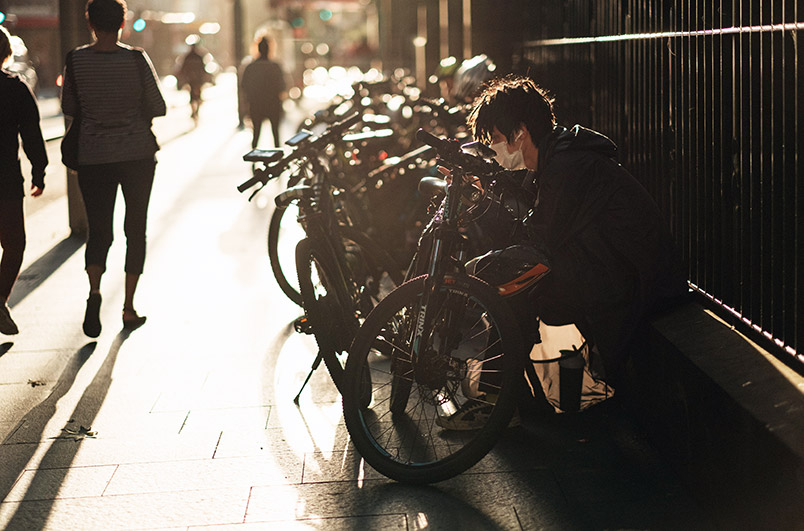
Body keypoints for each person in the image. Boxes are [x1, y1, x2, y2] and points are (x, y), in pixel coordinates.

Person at [438, 75, 687, 429]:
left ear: (520, 132)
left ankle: (498, 402)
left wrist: (483, 207)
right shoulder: (559, 158)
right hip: (608, 268)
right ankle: (505, 400)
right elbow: (537, 222)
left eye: (495, 139)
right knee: (515, 285)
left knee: (515, 289)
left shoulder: (570, 166)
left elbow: (538, 238)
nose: (494, 149)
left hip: (629, 283)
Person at [61, 0, 166, 338]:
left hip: (93, 156)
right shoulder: (135, 59)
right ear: (122, 22)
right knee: (135, 229)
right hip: (136, 155)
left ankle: (94, 293)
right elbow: (159, 105)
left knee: (99, 231)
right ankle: (129, 307)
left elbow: (69, 106)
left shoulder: (76, 60)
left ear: (91, 23)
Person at [0, 25, 47, 335]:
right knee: (14, 244)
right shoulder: (15, 88)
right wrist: (38, 171)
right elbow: (31, 133)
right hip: (5, 179)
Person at [241, 36, 286, 149]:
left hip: (256, 104)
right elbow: (282, 86)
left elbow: (244, 86)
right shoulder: (275, 66)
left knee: (256, 133)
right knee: (276, 134)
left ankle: (253, 159)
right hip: (273, 104)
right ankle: (279, 161)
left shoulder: (250, 67)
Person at [176, 41, 207, 121]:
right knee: (196, 96)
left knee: (193, 97)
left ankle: (195, 111)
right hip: (195, 80)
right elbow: (203, 69)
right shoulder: (198, 56)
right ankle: (195, 111)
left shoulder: (189, 57)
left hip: (192, 80)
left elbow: (183, 68)